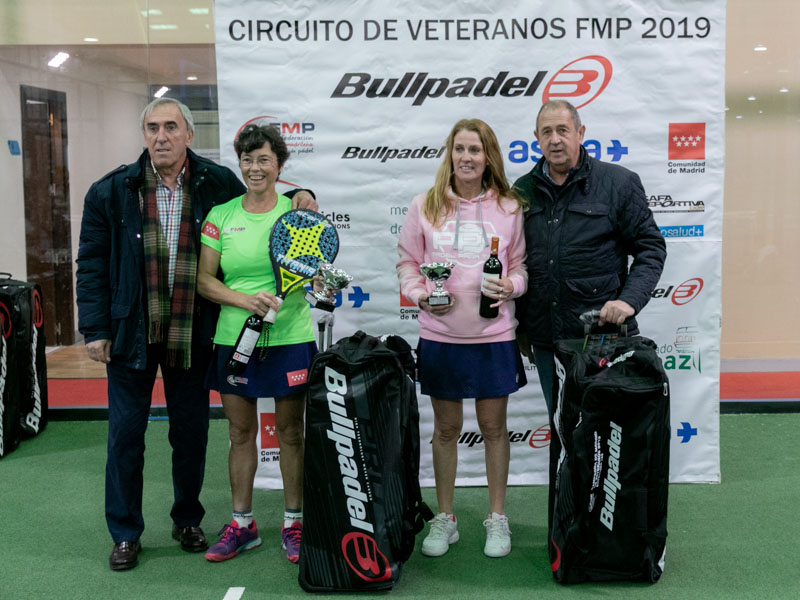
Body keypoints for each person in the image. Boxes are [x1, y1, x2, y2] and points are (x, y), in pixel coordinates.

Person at [76, 98, 315, 571]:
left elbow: (262, 193)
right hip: (131, 332)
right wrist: (96, 328)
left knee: (190, 435)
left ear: (189, 134)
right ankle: (125, 533)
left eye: (171, 127)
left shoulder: (216, 181)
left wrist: (303, 193)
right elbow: (91, 263)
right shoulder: (110, 190)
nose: (161, 136)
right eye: (152, 127)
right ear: (144, 135)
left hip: (192, 333)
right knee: (125, 436)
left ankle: (187, 520)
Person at [396, 118, 528, 559]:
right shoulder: (425, 205)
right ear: (449, 154)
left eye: (475, 149)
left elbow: (521, 266)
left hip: (493, 336)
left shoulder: (509, 207)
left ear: (488, 157)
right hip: (441, 336)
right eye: (460, 149)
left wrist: (512, 286)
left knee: (494, 428)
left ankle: (497, 517)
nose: (467, 157)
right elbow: (408, 263)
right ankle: (445, 518)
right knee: (446, 429)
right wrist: (420, 295)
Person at [197, 124, 319, 565]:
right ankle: (242, 524)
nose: (254, 168)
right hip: (234, 339)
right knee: (239, 432)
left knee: (291, 432)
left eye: (264, 159)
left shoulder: (297, 213)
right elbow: (204, 280)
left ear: (279, 165)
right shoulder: (220, 216)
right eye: (247, 159)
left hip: (290, 337)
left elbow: (310, 272)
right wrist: (243, 299)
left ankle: (294, 523)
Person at [513, 100, 667, 419]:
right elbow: (517, 260)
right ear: (536, 138)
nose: (555, 139)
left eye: (563, 130)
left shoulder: (618, 183)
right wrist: (522, 327)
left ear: (580, 133)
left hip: (602, 337)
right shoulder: (523, 190)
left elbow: (651, 248)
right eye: (546, 132)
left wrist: (629, 300)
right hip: (546, 338)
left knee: (605, 429)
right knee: (561, 424)